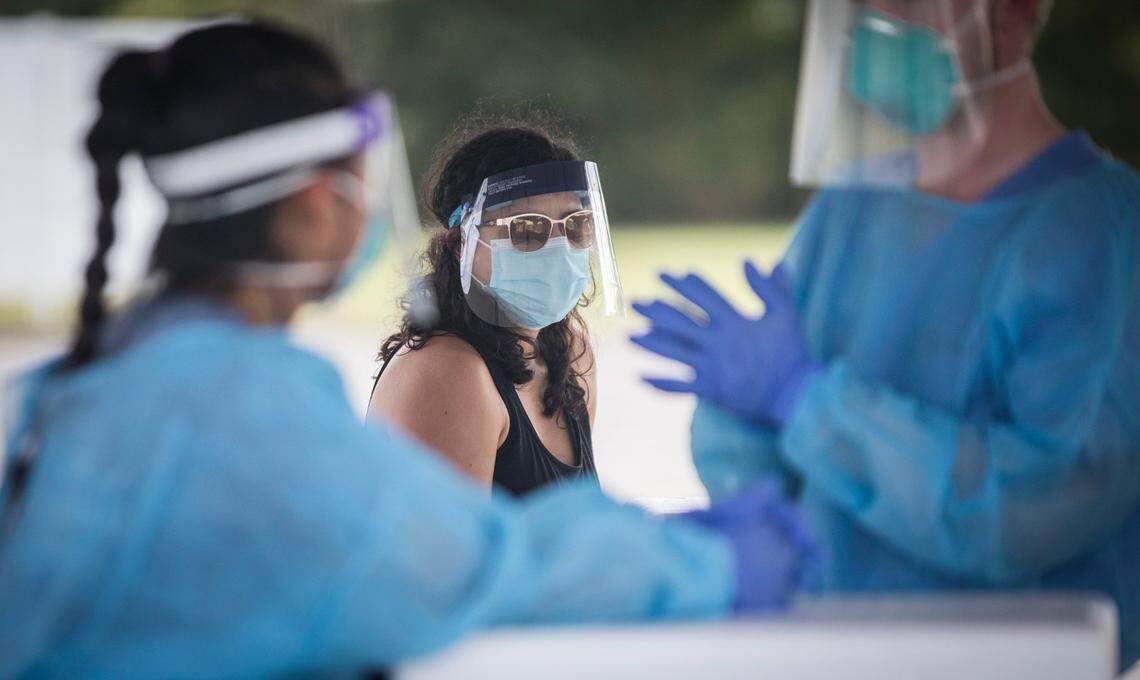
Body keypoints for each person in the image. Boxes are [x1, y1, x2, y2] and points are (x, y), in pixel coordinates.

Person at [0, 21, 818, 677]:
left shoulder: (101, 374)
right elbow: (455, 567)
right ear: (321, 202)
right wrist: (699, 562)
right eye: (360, 183)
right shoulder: (249, 411)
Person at [630, 0, 1140, 669]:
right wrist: (746, 416)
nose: (880, 18)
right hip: (835, 650)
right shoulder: (849, 212)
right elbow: (766, 484)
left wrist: (806, 402)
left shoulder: (1102, 232)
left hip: (1019, 659)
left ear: (1016, 10)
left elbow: (1034, 507)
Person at [368, 122, 612, 495]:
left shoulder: (571, 355)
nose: (560, 247)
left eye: (576, 225)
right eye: (527, 229)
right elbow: (445, 551)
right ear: (460, 245)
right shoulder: (447, 373)